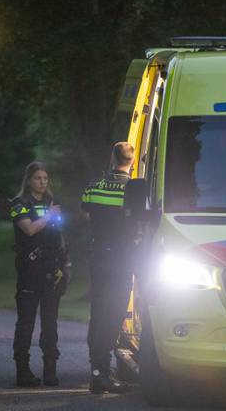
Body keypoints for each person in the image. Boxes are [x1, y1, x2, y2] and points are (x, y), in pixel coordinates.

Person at [80, 142, 136, 394]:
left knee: (98, 311)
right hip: (122, 259)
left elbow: (86, 213)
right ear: (132, 162)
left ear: (112, 158)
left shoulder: (94, 185)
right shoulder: (134, 188)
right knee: (113, 315)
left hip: (98, 256)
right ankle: (101, 373)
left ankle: (97, 369)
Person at [9, 161, 68, 387]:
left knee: (50, 322)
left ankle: (50, 371)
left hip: (51, 269)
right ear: (29, 180)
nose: (42, 182)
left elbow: (59, 233)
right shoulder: (19, 203)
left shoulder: (52, 202)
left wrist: (64, 264)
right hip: (29, 270)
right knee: (26, 322)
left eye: (45, 178)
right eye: (38, 178)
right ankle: (22, 371)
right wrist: (49, 216)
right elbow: (29, 229)